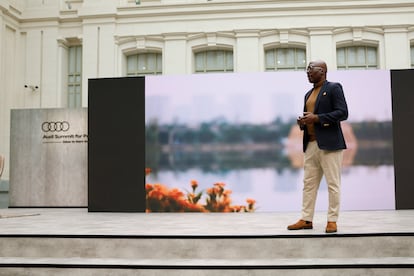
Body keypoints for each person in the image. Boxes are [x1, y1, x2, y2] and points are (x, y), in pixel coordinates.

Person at [287, 60, 348, 233]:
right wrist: (303, 123)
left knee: (333, 184)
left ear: (322, 71)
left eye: (310, 70)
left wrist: (318, 118)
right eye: (307, 70)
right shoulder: (308, 94)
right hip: (311, 144)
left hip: (330, 145)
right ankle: (306, 219)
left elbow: (343, 113)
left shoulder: (334, 88)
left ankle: (332, 220)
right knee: (308, 184)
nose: (307, 73)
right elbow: (311, 118)